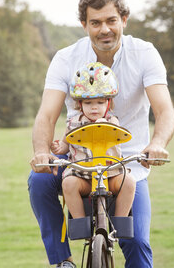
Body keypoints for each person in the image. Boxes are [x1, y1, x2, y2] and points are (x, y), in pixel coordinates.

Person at [28, 0, 174, 268]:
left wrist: (157, 144)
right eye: (95, 22)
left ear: (124, 19)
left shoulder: (144, 54)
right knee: (39, 180)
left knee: (137, 243)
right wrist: (41, 151)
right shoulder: (66, 58)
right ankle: (63, 262)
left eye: (111, 20)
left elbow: (164, 110)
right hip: (77, 160)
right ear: (84, 24)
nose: (104, 29)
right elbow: (47, 114)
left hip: (128, 162)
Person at [51, 62, 136, 220]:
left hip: (110, 174)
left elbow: (114, 133)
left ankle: (120, 222)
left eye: (100, 103)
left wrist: (101, 124)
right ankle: (80, 223)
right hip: (82, 174)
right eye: (88, 103)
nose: (94, 108)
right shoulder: (72, 123)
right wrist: (58, 147)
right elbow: (65, 145)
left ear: (108, 103)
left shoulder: (112, 121)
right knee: (68, 184)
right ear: (79, 104)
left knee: (129, 182)